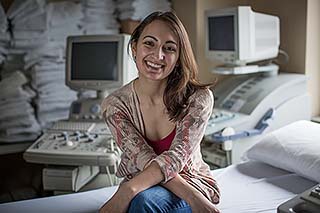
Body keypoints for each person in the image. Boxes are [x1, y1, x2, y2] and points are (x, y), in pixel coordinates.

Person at [100, 11, 220, 213]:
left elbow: (175, 158)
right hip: (142, 183)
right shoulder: (115, 105)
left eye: (169, 48)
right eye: (149, 43)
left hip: (191, 185)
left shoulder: (198, 99)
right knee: (141, 199)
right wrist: (131, 188)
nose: (158, 55)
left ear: (178, 57)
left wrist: (127, 190)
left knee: (142, 202)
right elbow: (143, 159)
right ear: (134, 47)